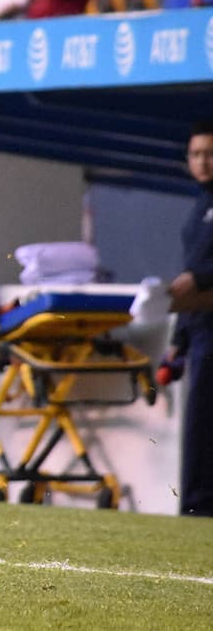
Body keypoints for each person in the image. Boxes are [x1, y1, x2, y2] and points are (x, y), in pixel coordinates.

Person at [162, 120, 213, 516]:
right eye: (196, 154)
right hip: (199, 331)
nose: (203, 161)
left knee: (203, 421)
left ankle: (199, 506)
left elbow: (195, 275)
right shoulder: (199, 209)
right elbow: (187, 276)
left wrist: (199, 277)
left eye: (209, 153)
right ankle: (196, 507)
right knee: (199, 422)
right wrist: (177, 342)